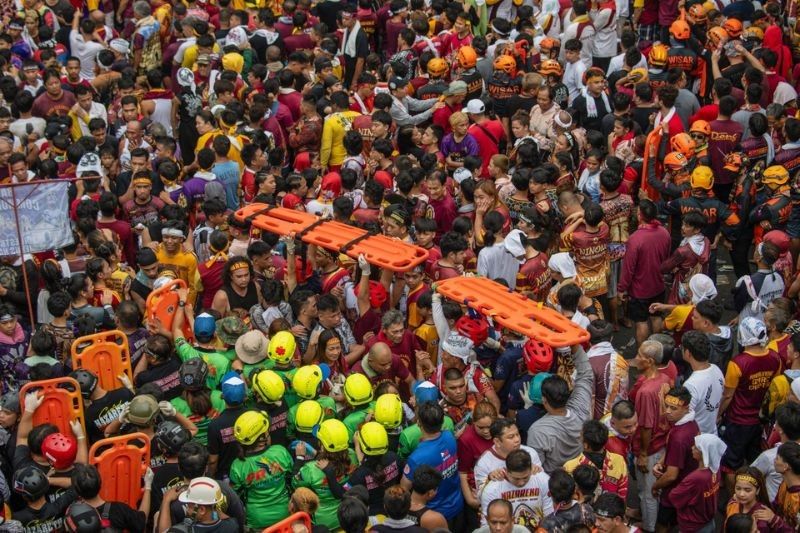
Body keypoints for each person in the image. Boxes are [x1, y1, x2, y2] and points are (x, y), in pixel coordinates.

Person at [399, 402, 464, 529]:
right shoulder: (450, 437)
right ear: (442, 421)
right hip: (458, 506)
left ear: (419, 423)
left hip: (435, 518)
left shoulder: (416, 458)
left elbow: (403, 488)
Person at [478, 449, 553, 530]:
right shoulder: (492, 489)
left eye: (525, 477)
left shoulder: (543, 481)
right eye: (516, 478)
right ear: (506, 471)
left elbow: (550, 515)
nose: (521, 483)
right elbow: (487, 525)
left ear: (531, 469)